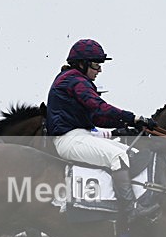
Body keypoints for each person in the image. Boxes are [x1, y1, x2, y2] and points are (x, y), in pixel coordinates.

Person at [45, 39, 159, 224]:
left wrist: (128, 126)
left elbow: (98, 118)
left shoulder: (75, 79)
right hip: (69, 139)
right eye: (96, 65)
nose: (100, 70)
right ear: (82, 63)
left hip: (80, 136)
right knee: (117, 157)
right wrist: (133, 117)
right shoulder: (75, 80)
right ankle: (131, 212)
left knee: (130, 152)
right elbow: (100, 108)